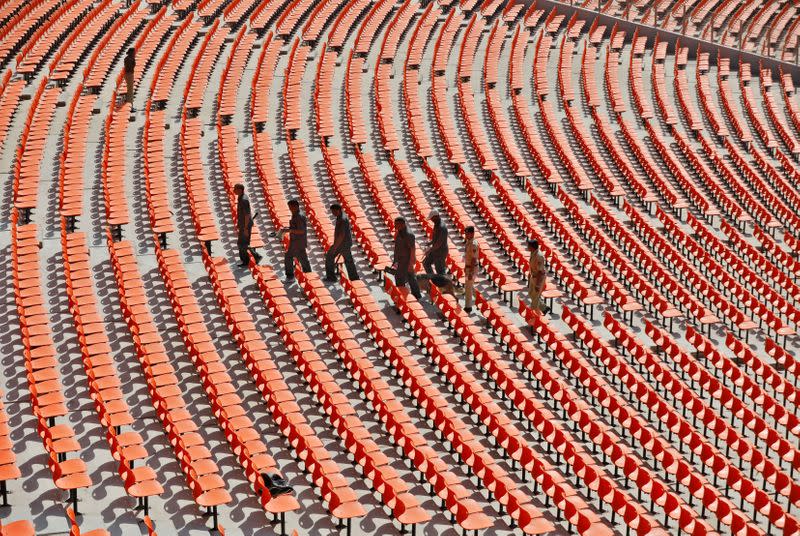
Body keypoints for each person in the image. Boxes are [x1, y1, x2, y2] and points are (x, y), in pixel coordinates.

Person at [324, 204, 359, 282]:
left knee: (330, 256)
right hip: (344, 243)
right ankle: (354, 278)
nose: (332, 213)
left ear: (338, 210)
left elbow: (341, 235)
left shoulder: (342, 219)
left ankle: (331, 277)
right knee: (348, 260)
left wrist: (335, 247)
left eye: (333, 211)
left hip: (342, 244)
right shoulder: (341, 216)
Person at [279, 199, 311, 281]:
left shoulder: (299, 216)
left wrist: (290, 230)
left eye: (291, 207)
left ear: (296, 206)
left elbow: (301, 231)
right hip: (296, 241)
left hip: (298, 242)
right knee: (301, 259)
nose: (290, 209)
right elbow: (295, 227)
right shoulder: (295, 214)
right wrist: (287, 229)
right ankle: (308, 276)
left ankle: (293, 276)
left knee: (298, 258)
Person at [392, 217, 421, 299]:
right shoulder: (399, 232)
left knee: (402, 277)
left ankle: (403, 294)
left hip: (406, 261)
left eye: (397, 224)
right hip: (400, 259)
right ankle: (413, 294)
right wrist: (395, 260)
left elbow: (412, 249)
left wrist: (411, 263)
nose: (395, 226)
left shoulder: (409, 234)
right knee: (409, 277)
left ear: (403, 224)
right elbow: (397, 246)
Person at [235, 184, 262, 267]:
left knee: (242, 243)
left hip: (245, 225)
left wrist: (246, 228)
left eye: (235, 189)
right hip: (243, 224)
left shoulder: (243, 200)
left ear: (240, 190)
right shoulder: (241, 197)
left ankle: (255, 256)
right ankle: (247, 259)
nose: (234, 190)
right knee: (242, 243)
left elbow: (247, 215)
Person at [527, 239, 550, 314]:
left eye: (528, 246)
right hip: (534, 276)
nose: (527, 247)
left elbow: (540, 272)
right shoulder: (533, 252)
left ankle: (535, 316)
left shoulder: (539, 256)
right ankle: (544, 307)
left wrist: (538, 284)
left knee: (536, 298)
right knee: (531, 293)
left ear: (532, 247)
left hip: (538, 278)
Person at [423, 211, 448, 275]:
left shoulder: (442, 227)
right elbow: (436, 238)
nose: (431, 220)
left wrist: (429, 250)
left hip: (440, 252)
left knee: (440, 271)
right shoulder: (436, 224)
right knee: (426, 263)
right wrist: (430, 243)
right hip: (435, 250)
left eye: (432, 218)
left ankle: (443, 283)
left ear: (436, 217)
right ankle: (433, 279)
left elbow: (439, 243)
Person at [463, 226, 479, 313]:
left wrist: (471, 272)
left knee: (468, 287)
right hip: (468, 267)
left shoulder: (473, 244)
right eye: (465, 233)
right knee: (469, 286)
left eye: (467, 233)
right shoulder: (469, 242)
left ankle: (468, 307)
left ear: (472, 233)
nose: (466, 235)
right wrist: (465, 267)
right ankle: (479, 300)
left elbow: (473, 259)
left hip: (472, 268)